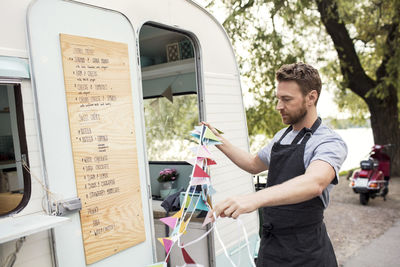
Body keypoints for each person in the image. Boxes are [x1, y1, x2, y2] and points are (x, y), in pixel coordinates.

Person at [204, 62, 347, 266]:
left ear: (311, 97)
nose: (279, 106)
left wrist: (254, 199)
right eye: (278, 99)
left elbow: (314, 182)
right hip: (271, 248)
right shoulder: (282, 136)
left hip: (306, 251)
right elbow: (253, 164)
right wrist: (216, 139)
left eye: (286, 99)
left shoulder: (328, 141)